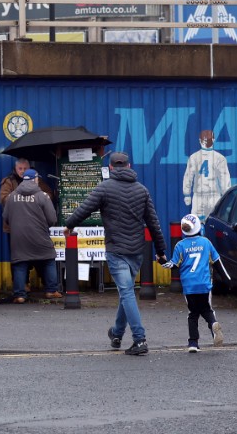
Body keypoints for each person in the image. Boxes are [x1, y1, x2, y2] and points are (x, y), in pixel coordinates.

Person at [65, 151, 167, 357]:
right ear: (129, 166)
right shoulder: (142, 190)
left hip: (116, 249)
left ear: (111, 168)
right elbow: (153, 223)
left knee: (127, 293)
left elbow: (84, 209)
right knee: (126, 292)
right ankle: (117, 334)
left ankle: (140, 339)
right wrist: (161, 251)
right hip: (136, 251)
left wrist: (69, 226)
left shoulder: (104, 188)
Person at [163, 213, 225, 353]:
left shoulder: (180, 245)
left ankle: (193, 343)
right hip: (204, 284)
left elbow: (173, 265)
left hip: (189, 286)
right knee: (207, 309)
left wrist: (162, 262)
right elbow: (216, 262)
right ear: (198, 227)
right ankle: (213, 325)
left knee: (193, 313)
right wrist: (227, 279)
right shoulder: (206, 242)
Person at [1, 168, 60, 303]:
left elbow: (6, 217)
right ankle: (51, 291)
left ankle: (20, 295)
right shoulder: (42, 196)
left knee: (20, 264)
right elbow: (52, 219)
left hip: (18, 238)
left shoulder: (12, 197)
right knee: (49, 259)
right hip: (40, 236)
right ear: (36, 179)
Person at [183, 129, 231, 216]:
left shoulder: (194, 157)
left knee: (197, 224)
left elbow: (188, 177)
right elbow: (224, 180)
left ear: (199, 141)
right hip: (214, 196)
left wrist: (187, 194)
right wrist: (227, 198)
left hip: (199, 196)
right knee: (215, 223)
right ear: (213, 140)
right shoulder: (220, 158)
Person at [0, 158, 56, 232]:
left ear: (29, 169)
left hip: (35, 222)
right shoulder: (9, 181)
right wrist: (21, 199)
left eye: (25, 169)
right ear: (15, 169)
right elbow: (4, 199)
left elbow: (49, 194)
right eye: (20, 168)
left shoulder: (37, 180)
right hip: (15, 224)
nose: (22, 171)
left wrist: (37, 199)